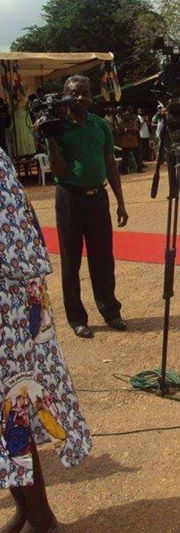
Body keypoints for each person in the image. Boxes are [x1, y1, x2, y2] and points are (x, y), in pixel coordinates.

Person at [0, 148, 92, 532]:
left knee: (14, 411)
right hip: (14, 290)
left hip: (10, 302)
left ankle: (42, 519)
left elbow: (17, 231)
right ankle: (26, 510)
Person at [44, 75, 128, 338]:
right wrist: (50, 138)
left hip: (98, 198)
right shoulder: (57, 127)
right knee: (71, 261)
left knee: (103, 257)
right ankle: (77, 318)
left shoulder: (99, 125)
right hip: (69, 198)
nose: (81, 98)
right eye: (75, 93)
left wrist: (120, 202)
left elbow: (110, 164)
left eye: (85, 93)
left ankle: (111, 311)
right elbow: (58, 169)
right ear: (65, 95)